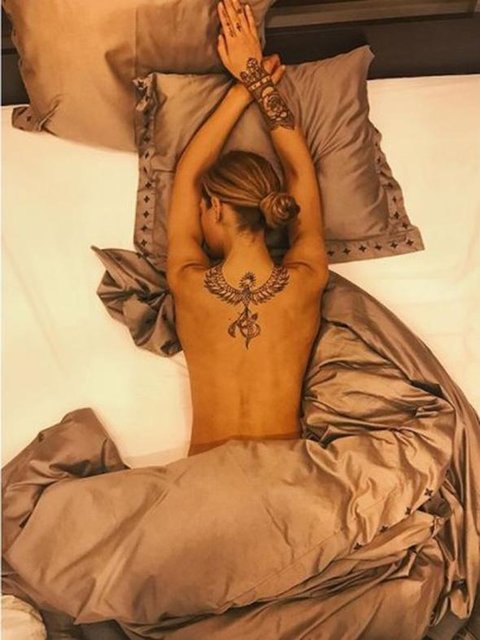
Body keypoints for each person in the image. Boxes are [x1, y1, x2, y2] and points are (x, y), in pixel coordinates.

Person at [167, 0, 329, 456]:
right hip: (284, 482)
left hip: (207, 480)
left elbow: (187, 174)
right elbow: (300, 171)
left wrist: (241, 90)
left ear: (215, 207)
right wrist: (257, 80)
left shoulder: (187, 281)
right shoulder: (307, 279)